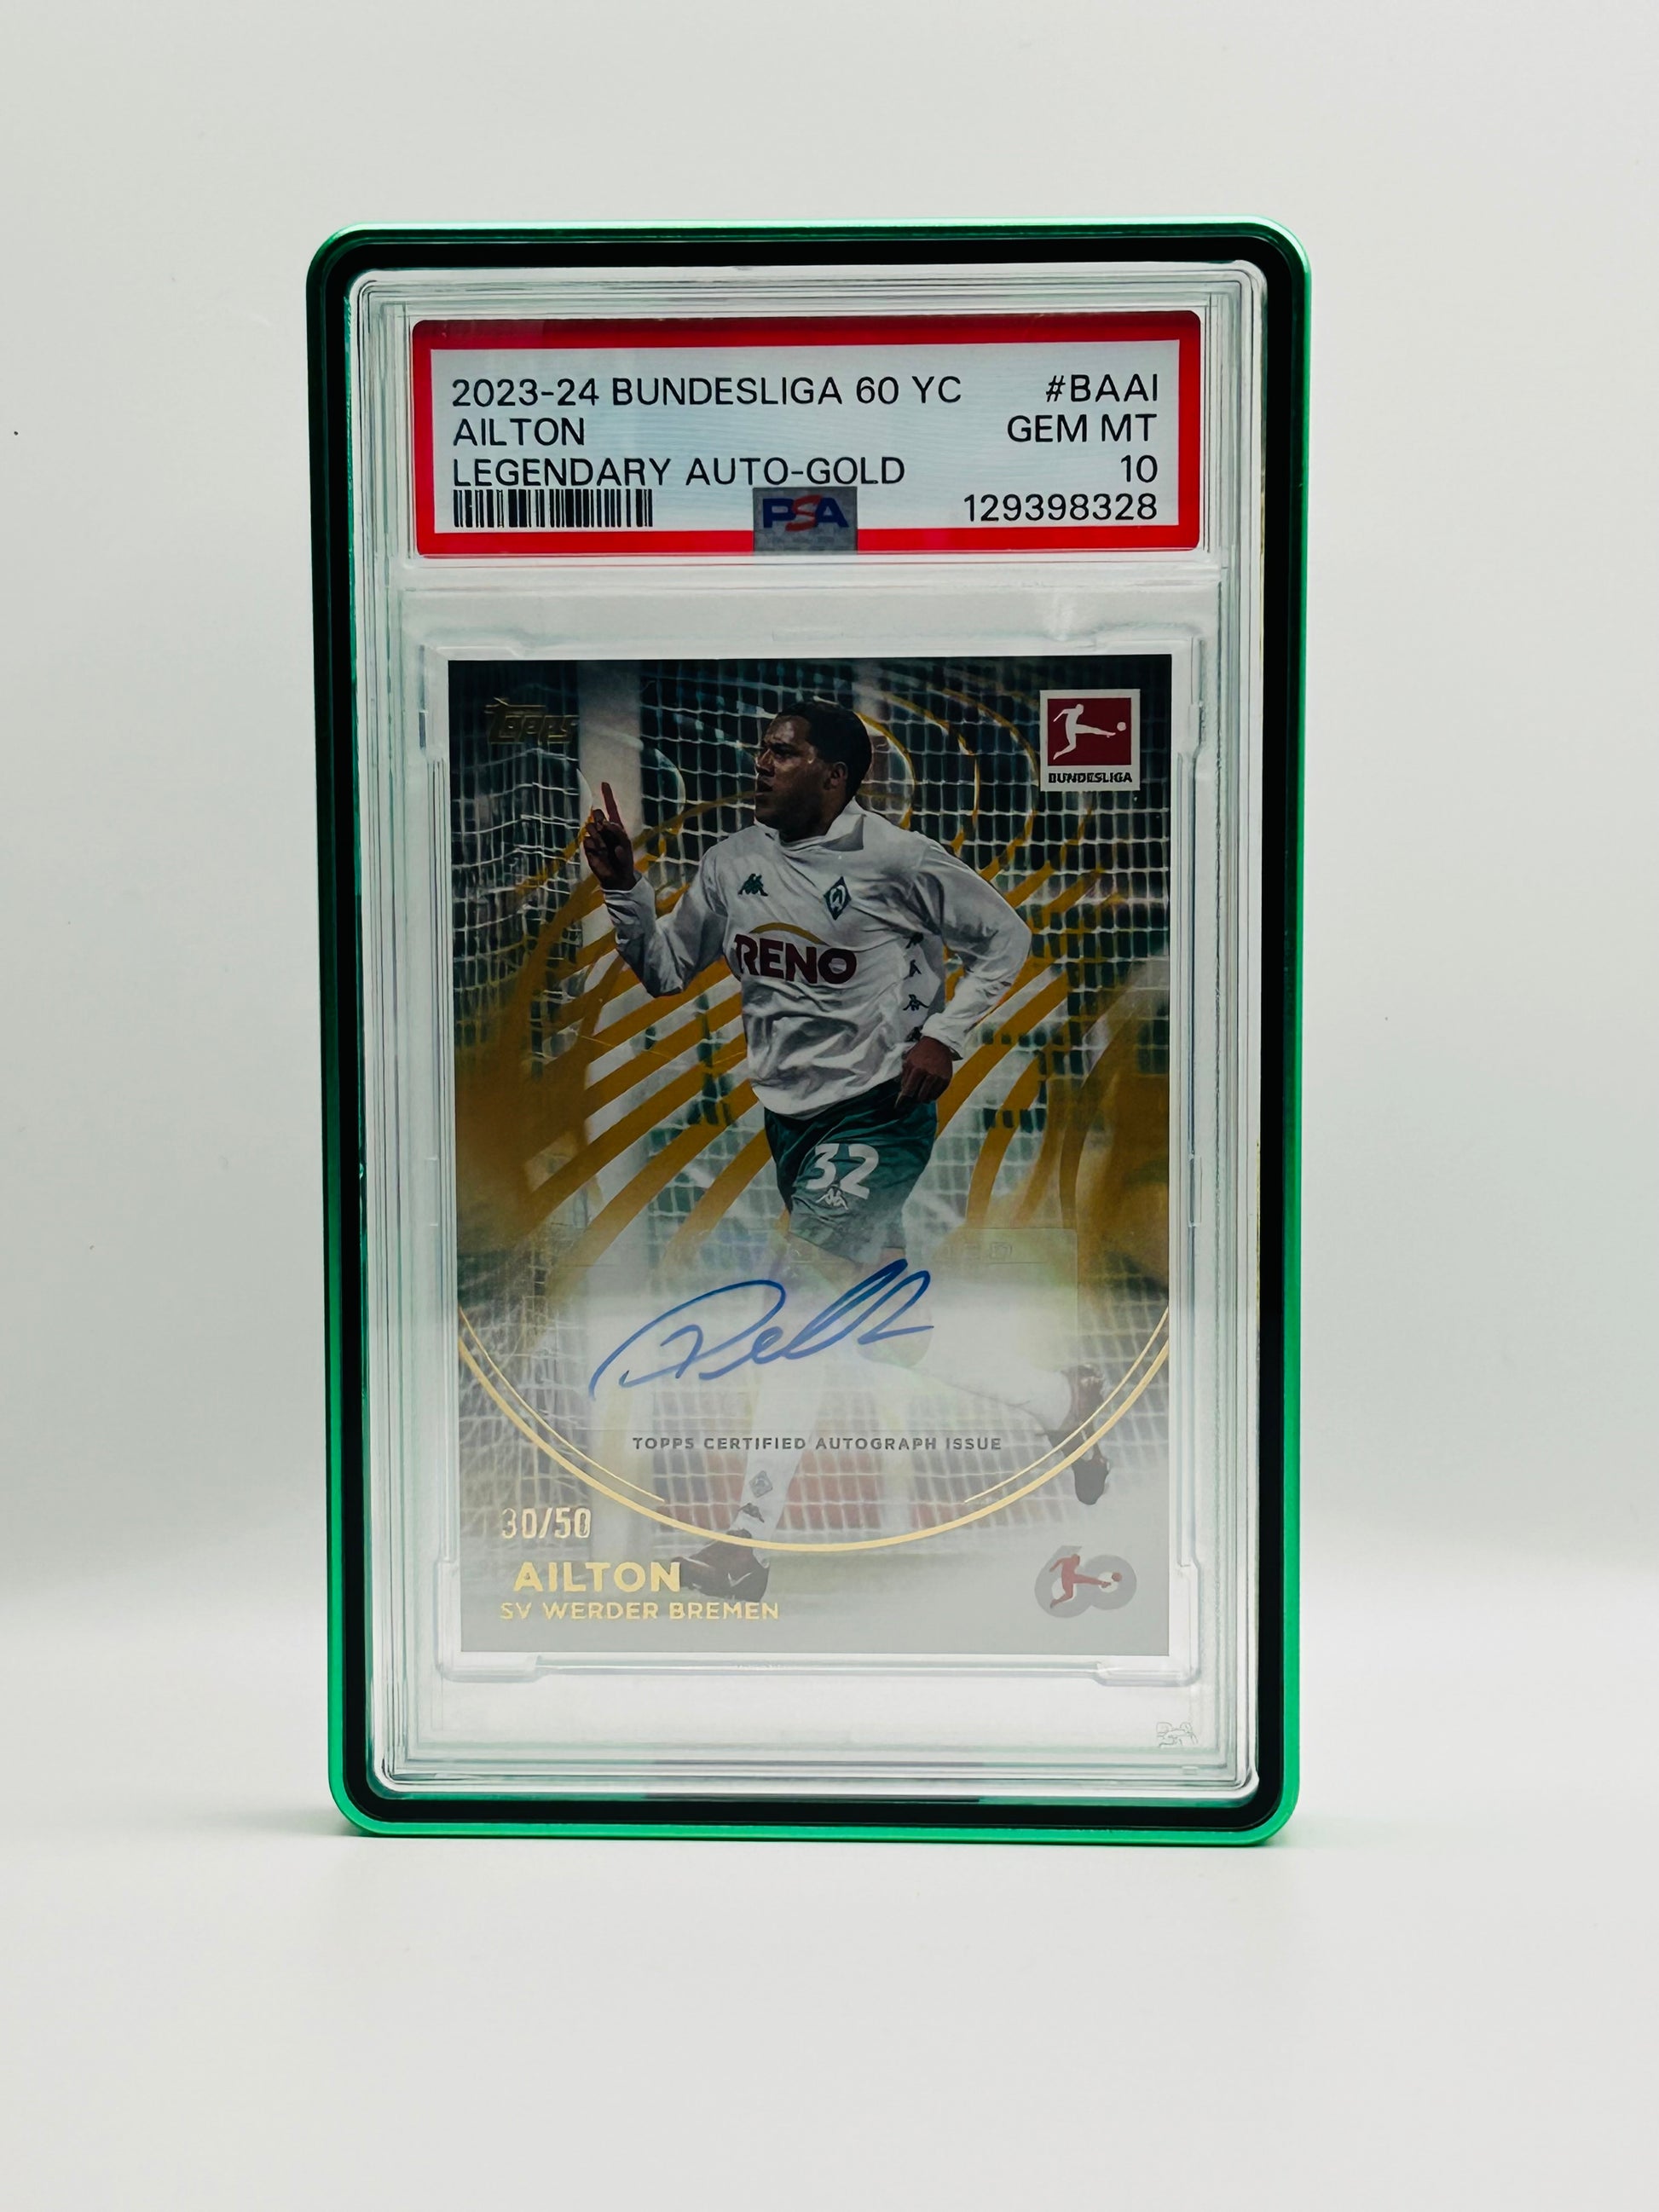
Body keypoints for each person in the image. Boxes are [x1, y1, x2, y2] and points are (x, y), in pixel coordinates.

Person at [582, 699, 1109, 1599]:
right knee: (886, 1334)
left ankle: (744, 1545)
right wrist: (625, 889)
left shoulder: (897, 861)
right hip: (792, 1123)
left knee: (798, 1305)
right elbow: (665, 971)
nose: (760, 763)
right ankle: (1062, 1401)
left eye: (782, 752)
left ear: (833, 776)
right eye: (760, 748)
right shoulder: (730, 863)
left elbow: (1005, 937)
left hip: (879, 1112)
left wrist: (944, 1034)